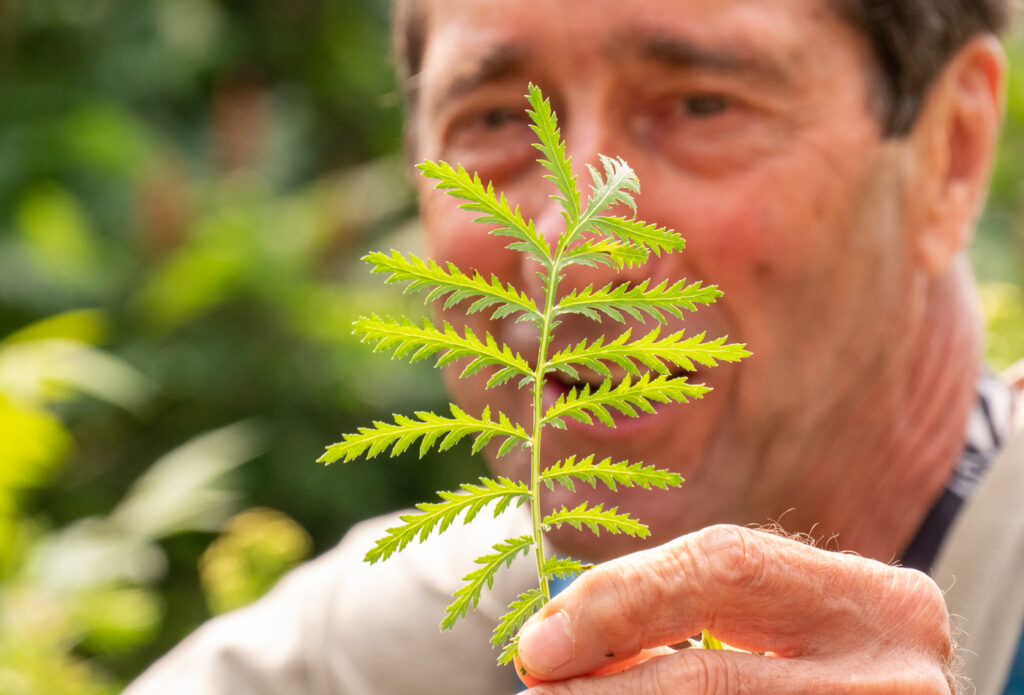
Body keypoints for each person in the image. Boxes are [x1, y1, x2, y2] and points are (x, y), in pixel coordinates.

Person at [125, 1, 1024, 693]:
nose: (571, 245)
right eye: (489, 121)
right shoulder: (444, 628)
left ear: (951, 150)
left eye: (701, 105)